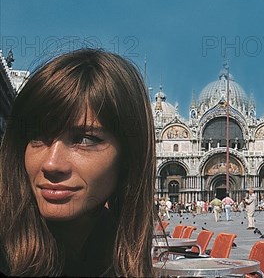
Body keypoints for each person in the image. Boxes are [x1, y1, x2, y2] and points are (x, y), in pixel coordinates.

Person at [0, 49, 155, 276]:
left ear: (129, 156)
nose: (51, 164)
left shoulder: (113, 248)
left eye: (84, 139)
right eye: (38, 136)